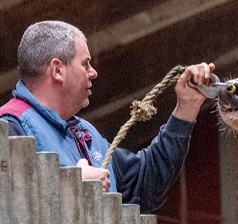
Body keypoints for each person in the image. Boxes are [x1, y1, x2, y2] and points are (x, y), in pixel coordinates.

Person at [0, 20, 214, 213]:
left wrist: (187, 107)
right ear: (57, 70)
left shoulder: (84, 132)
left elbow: (145, 182)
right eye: (85, 64)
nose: (93, 72)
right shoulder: (9, 126)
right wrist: (67, 185)